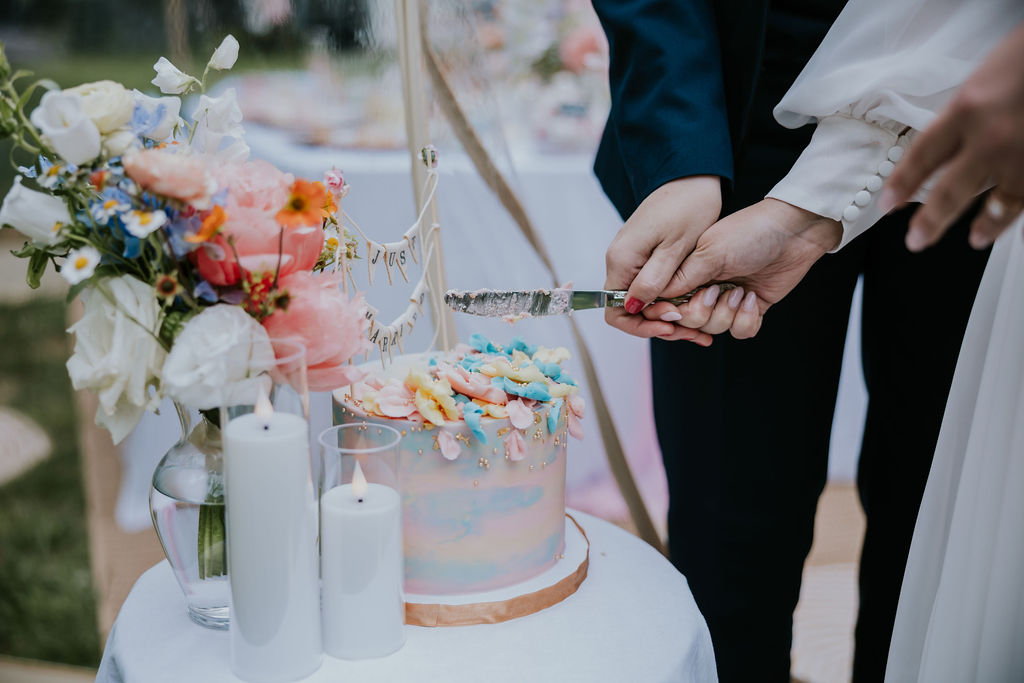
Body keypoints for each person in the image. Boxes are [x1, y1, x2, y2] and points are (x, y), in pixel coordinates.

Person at [592, 1, 993, 681]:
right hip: (739, 108)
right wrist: (679, 158)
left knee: (941, 507)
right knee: (731, 525)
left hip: (978, 113)